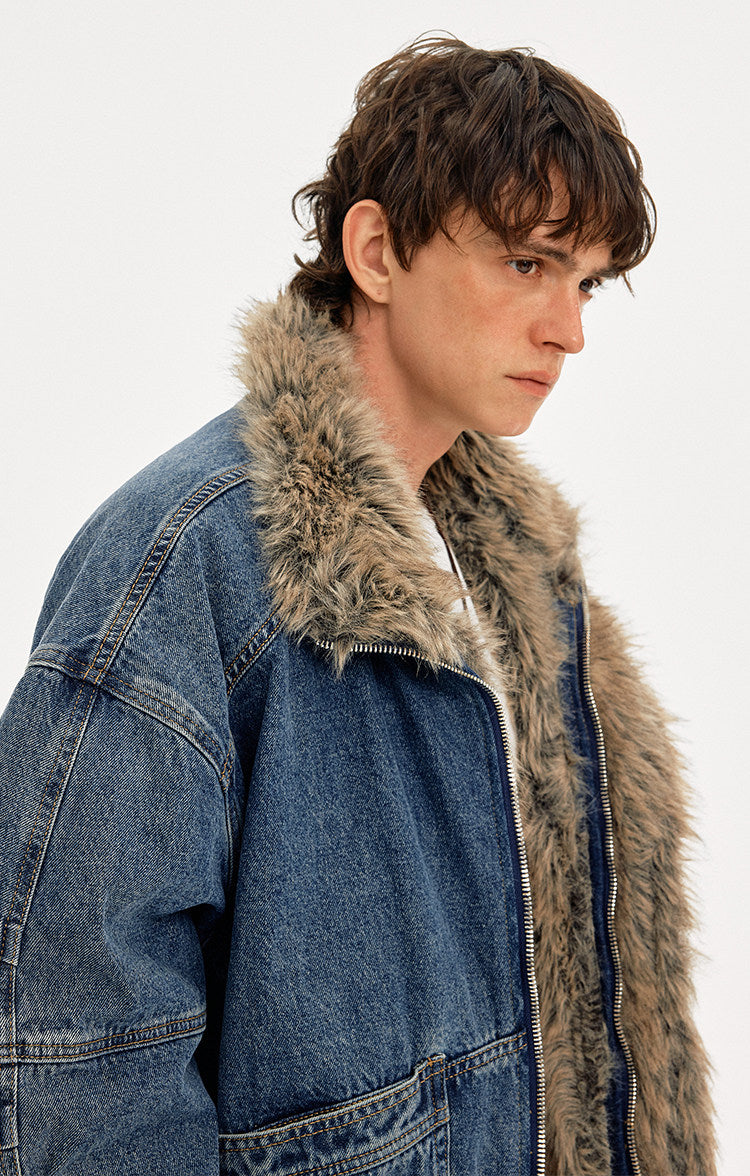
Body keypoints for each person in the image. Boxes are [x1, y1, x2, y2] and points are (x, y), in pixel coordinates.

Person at [0, 35, 715, 1176]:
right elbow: (76, 1053)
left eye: (584, 282)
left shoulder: (520, 581)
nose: (569, 329)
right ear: (376, 251)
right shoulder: (188, 558)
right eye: (526, 262)